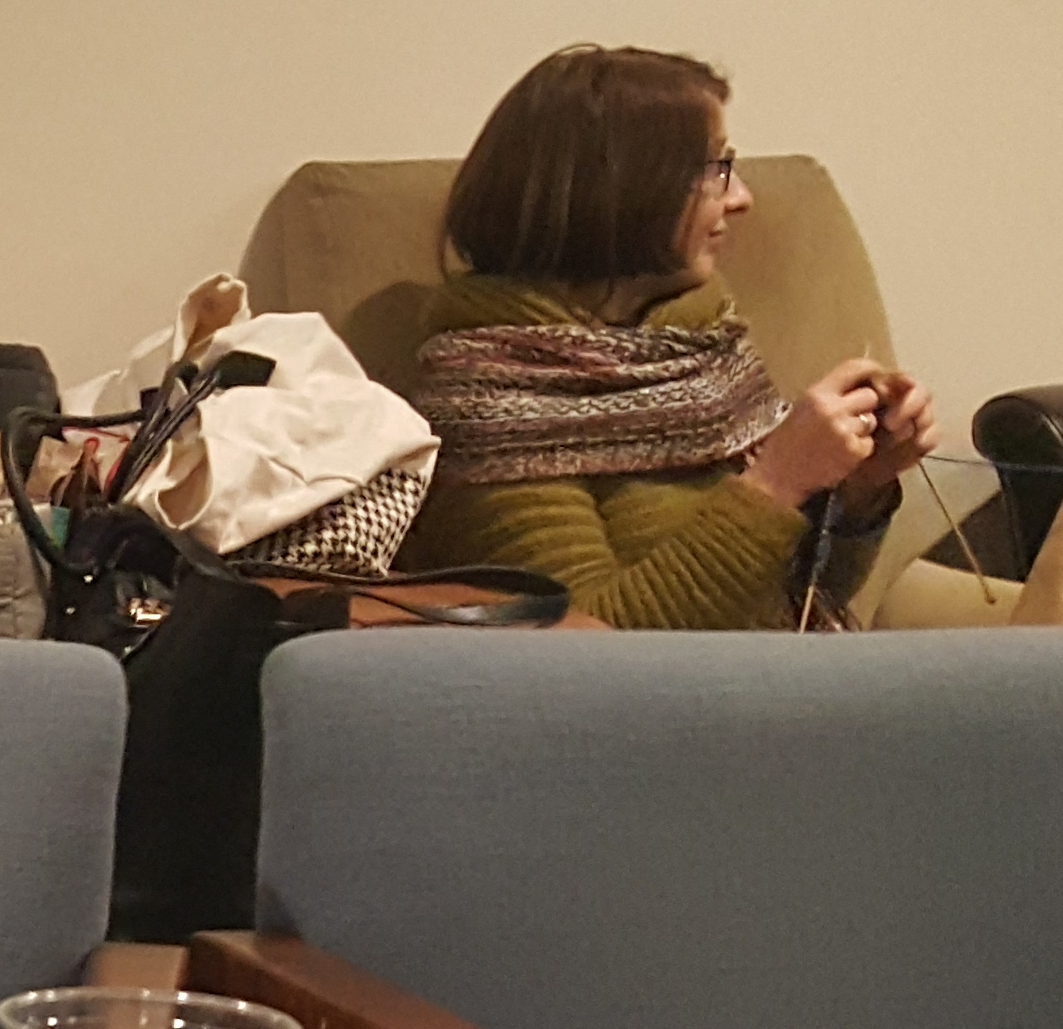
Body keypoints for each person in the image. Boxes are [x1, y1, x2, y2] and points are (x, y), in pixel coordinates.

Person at [398, 46, 938, 629]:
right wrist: (778, 482)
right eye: (715, 169)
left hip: (789, 669)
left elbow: (800, 597)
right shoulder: (492, 405)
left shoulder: (702, 347)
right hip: (672, 691)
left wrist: (857, 491)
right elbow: (592, 644)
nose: (741, 198)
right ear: (623, 190)